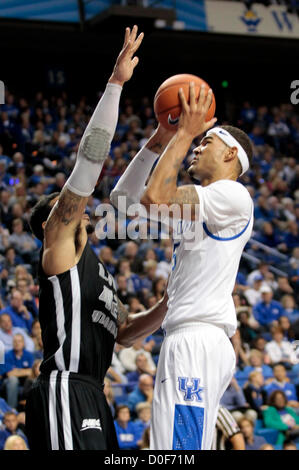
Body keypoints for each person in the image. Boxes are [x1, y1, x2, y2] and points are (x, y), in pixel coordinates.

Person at [25, 26, 168, 451]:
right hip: (63, 388)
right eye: (65, 206)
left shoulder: (98, 271)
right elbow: (89, 162)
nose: (78, 206)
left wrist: (168, 305)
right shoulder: (59, 250)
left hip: (94, 392)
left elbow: (123, 331)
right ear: (53, 222)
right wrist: (115, 85)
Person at [111, 82, 254, 450]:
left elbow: (156, 196)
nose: (197, 145)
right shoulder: (200, 209)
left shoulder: (233, 195)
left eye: (207, 142)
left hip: (196, 341)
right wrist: (161, 138)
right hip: (195, 338)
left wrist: (185, 133)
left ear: (230, 155)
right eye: (198, 140)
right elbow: (124, 201)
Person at [2, 333, 34, 408]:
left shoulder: (29, 355)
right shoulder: (6, 355)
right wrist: (25, 371)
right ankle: (12, 409)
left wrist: (17, 371)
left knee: (33, 379)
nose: (17, 343)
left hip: (25, 382)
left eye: (19, 341)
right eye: (15, 341)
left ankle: (32, 407)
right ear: (12, 343)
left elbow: (32, 372)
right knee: (13, 379)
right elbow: (9, 374)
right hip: (7, 382)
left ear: (23, 343)